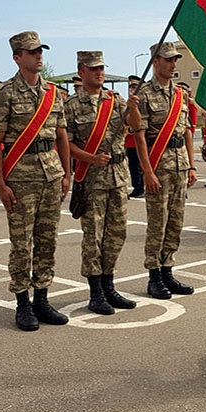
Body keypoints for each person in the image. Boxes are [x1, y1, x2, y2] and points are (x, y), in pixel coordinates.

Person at [0, 31, 71, 332]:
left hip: (51, 174)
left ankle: (43, 298)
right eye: (32, 51)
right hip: (20, 178)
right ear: (17, 57)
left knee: (48, 240)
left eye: (40, 51)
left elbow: (61, 136)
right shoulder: (4, 93)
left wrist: (66, 175)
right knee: (22, 244)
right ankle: (22, 302)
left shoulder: (53, 93)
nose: (39, 56)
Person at [65, 51, 140, 315]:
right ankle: (95, 292)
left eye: (102, 68)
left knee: (116, 234)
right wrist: (90, 158)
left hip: (118, 177)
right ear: (81, 71)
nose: (100, 72)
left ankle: (109, 286)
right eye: (94, 68)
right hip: (92, 178)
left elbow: (134, 126)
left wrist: (133, 109)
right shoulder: (72, 105)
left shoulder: (115, 100)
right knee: (93, 238)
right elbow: (66, 144)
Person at [132, 42, 197, 299]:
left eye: (175, 60)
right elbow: (139, 136)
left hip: (180, 165)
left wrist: (192, 165)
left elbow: (188, 131)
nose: (173, 64)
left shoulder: (181, 93)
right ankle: (154, 275)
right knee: (157, 223)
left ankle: (168, 269)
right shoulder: (144, 94)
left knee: (175, 222)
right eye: (168, 60)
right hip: (158, 165)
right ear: (155, 61)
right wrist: (147, 171)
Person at [125, 75, 145, 198]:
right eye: (131, 87)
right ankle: (137, 187)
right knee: (133, 166)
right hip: (129, 141)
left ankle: (140, 188)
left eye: (135, 87)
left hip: (137, 139)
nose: (132, 90)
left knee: (138, 166)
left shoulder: (141, 103)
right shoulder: (129, 102)